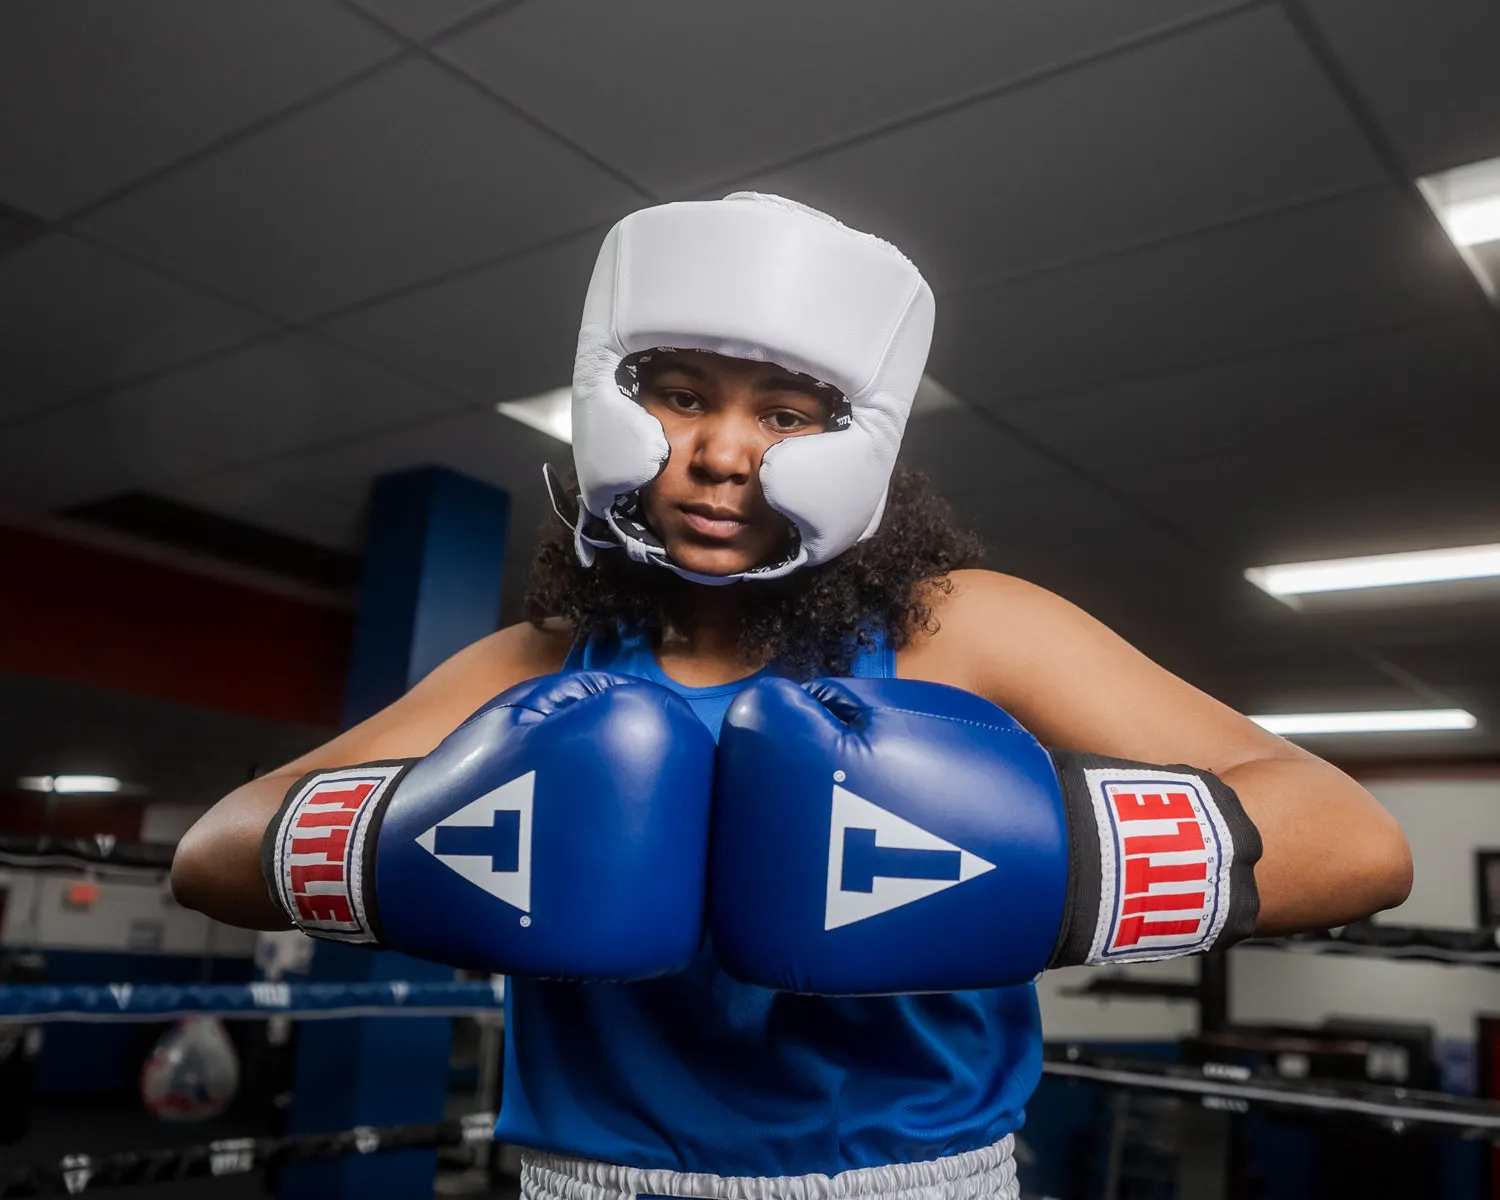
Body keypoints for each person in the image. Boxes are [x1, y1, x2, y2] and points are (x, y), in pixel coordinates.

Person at [173, 193, 1412, 1198]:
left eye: (786, 411)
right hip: (581, 1182)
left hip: (918, 1181)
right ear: (615, 401)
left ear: (857, 436)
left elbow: (1354, 840)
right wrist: (409, 852)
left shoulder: (965, 629)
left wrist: (1054, 874)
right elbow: (214, 848)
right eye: (680, 393)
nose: (720, 454)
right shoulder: (536, 667)